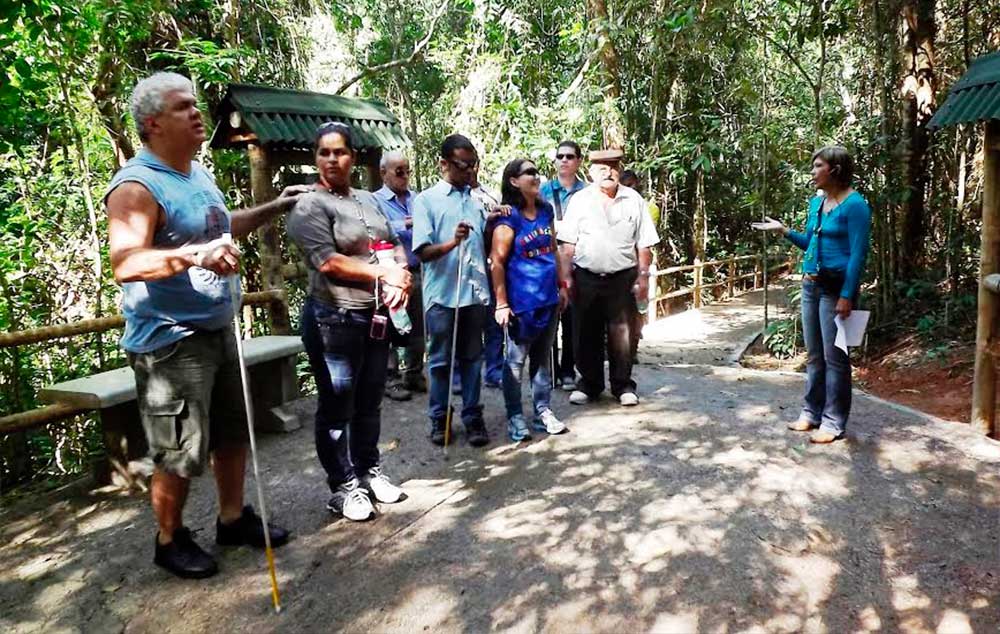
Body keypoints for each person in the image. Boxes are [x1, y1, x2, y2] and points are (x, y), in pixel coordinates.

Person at [105, 72, 295, 579]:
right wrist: (194, 257)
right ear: (152, 124)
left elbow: (220, 226)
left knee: (232, 432)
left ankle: (232, 519)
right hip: (172, 341)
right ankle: (170, 539)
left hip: (218, 328)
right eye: (182, 106)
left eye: (195, 104)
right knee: (178, 450)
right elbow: (126, 263)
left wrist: (275, 207)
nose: (196, 113)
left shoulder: (198, 174)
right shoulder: (136, 186)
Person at [287, 122, 412, 520]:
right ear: (316, 157)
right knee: (337, 403)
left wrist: (403, 277)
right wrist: (384, 274)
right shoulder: (310, 205)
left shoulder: (367, 200)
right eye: (324, 152)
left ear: (352, 157)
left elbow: (391, 245)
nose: (331, 159)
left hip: (377, 315)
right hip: (334, 318)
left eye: (339, 152)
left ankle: (368, 470)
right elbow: (327, 261)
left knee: (370, 400)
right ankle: (343, 486)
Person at [752, 145, 871, 444]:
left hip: (836, 290)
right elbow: (810, 244)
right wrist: (784, 231)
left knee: (836, 357)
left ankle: (833, 421)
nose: (813, 172)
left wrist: (847, 295)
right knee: (815, 355)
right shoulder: (816, 204)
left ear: (835, 170)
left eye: (818, 166)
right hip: (811, 285)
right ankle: (811, 413)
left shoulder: (855, 205)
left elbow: (858, 255)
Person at [557, 148, 660, 407]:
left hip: (622, 278)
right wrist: (565, 278)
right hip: (586, 277)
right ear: (590, 172)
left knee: (623, 336)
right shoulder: (580, 200)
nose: (608, 172)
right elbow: (568, 243)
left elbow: (644, 243)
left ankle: (622, 385)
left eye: (613, 166)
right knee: (585, 332)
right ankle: (589, 384)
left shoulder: (633, 199)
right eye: (602, 167)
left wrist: (643, 277)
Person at [412, 134, 493, 446]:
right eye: (463, 165)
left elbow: (485, 243)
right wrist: (452, 242)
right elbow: (422, 252)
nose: (470, 172)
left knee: (473, 358)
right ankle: (439, 420)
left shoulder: (476, 198)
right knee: (440, 361)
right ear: (444, 163)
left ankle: (473, 417)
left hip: (474, 293)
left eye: (473, 165)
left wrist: (494, 225)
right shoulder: (426, 201)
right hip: (442, 296)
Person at [491, 158, 570, 441]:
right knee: (515, 362)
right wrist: (501, 303)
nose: (536, 176)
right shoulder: (508, 217)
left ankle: (542, 411)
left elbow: (553, 249)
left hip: (548, 297)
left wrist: (562, 285)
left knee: (543, 359)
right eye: (529, 173)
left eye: (537, 171)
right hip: (521, 303)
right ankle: (515, 416)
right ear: (514, 181)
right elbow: (497, 262)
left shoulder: (546, 210)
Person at [373, 151, 425, 401]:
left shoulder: (417, 198)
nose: (404, 176)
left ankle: (414, 373)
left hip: (416, 269)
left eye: (407, 170)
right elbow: (373, 230)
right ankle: (390, 378)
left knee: (419, 325)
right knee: (389, 326)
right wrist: (405, 223)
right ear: (384, 173)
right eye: (399, 171)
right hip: (388, 274)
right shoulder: (375, 201)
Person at [540, 140, 586, 390]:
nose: (564, 160)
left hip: (578, 262)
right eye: (560, 156)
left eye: (570, 156)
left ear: (579, 160)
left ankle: (568, 369)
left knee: (572, 320)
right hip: (548, 260)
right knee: (549, 319)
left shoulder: (587, 192)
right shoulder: (543, 191)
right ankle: (550, 370)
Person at [470, 166, 505, 389]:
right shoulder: (458, 198)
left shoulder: (491, 195)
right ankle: (463, 375)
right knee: (469, 324)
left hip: (492, 264)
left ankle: (494, 370)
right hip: (468, 269)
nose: (470, 169)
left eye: (473, 164)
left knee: (495, 322)